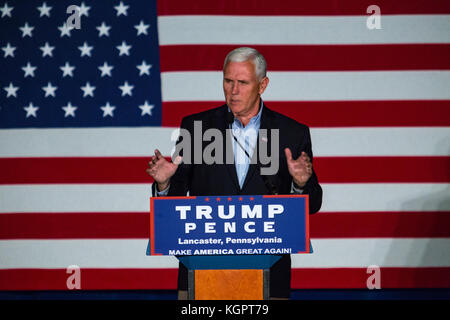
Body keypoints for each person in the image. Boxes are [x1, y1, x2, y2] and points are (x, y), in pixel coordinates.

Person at [147, 47, 322, 299]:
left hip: (269, 275)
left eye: (243, 82)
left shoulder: (292, 133)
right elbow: (174, 201)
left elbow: (312, 204)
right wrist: (164, 184)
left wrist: (299, 183)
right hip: (203, 272)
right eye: (228, 81)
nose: (234, 90)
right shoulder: (196, 127)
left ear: (262, 85)